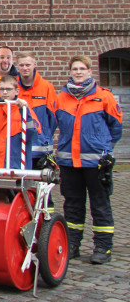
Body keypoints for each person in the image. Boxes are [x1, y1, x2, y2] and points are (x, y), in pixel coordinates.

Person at [56, 55, 122, 264]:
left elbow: (116, 127)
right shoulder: (62, 98)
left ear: (90, 71)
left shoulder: (104, 97)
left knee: (100, 205)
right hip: (69, 163)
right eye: (75, 68)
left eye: (82, 68)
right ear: (70, 72)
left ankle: (103, 247)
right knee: (73, 205)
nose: (78, 72)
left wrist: (103, 147)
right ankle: (73, 244)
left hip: (96, 163)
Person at [0, 75, 41, 199]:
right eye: (2, 89)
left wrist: (25, 112)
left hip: (17, 166)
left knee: (19, 203)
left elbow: (31, 135)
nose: (5, 92)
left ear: (17, 91)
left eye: (8, 89)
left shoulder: (24, 110)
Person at [15, 52, 58, 168]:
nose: (25, 68)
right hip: (18, 146)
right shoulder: (12, 87)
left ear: (34, 65)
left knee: (40, 184)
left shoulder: (46, 87)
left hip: (41, 148)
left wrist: (45, 136)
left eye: (28, 65)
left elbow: (53, 118)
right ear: (17, 67)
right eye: (22, 65)